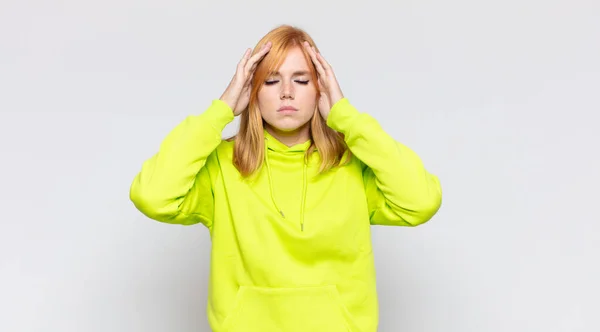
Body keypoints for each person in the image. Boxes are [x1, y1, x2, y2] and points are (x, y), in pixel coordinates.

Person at [130, 24, 442, 332]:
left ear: (320, 87)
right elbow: (153, 195)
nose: (287, 92)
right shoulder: (222, 166)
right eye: (271, 81)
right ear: (252, 91)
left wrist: (347, 117)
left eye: (301, 80)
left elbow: (420, 202)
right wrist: (221, 110)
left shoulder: (352, 164)